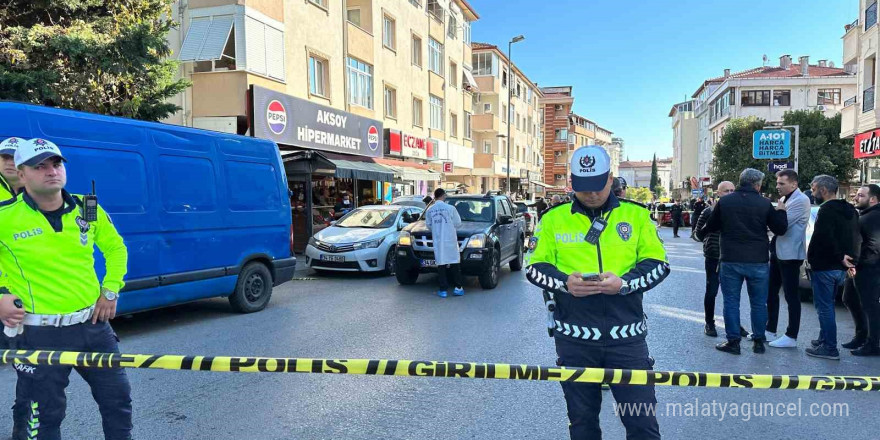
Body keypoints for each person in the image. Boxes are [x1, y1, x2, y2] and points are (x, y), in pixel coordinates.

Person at [526, 146, 668, 439]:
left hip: (627, 340)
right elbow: (534, 268)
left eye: (597, 187)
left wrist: (624, 284)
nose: (590, 194)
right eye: (583, 187)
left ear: (611, 179)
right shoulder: (553, 218)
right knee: (583, 425)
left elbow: (659, 266)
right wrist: (565, 283)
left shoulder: (637, 216)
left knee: (643, 425)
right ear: (572, 182)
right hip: (575, 341)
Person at [0, 139, 131, 440]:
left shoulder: (88, 207)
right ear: (21, 175)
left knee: (118, 402)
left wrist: (110, 289)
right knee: (43, 415)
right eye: (39, 166)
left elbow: (115, 248)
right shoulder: (4, 216)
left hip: (93, 327)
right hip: (38, 334)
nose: (51, 171)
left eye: (56, 164)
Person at [701, 168, 788, 355]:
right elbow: (780, 229)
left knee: (731, 301)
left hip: (731, 259)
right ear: (757, 184)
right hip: (758, 260)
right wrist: (781, 211)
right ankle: (758, 341)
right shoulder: (764, 204)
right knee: (758, 303)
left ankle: (733, 342)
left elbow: (712, 226)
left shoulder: (725, 202)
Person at [805, 175, 860, 360]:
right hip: (839, 267)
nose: (813, 193)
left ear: (823, 190)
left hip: (825, 265)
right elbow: (854, 237)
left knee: (824, 307)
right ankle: (824, 339)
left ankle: (829, 347)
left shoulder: (826, 209)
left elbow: (824, 238)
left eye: (813, 189)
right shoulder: (850, 209)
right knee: (827, 306)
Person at [766, 170, 810, 349]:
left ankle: (791, 335)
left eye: (781, 184)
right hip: (778, 252)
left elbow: (779, 226)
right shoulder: (785, 199)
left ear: (794, 184)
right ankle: (770, 330)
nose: (777, 187)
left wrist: (777, 214)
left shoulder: (800, 200)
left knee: (791, 295)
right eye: (777, 183)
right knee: (771, 291)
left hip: (791, 255)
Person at [695, 181, 742, 337]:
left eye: (732, 190)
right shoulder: (708, 211)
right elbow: (698, 234)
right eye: (726, 191)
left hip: (733, 256)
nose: (730, 193)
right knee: (712, 291)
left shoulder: (739, 210)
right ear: (718, 193)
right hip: (714, 257)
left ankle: (735, 325)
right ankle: (709, 323)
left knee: (733, 294)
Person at [845, 184, 880, 356]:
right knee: (849, 298)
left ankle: (873, 343)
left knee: (870, 306)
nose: (856, 198)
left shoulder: (873, 217)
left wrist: (857, 265)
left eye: (860, 195)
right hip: (859, 267)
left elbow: (873, 246)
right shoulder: (864, 215)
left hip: (868, 269)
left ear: (872, 199)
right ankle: (861, 335)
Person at [425, 188, 463, 298]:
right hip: (450, 239)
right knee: (454, 262)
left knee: (441, 264)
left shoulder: (429, 210)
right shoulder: (450, 208)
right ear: (443, 195)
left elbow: (428, 225)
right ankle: (458, 288)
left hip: (438, 240)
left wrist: (437, 229)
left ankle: (443, 290)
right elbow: (458, 223)